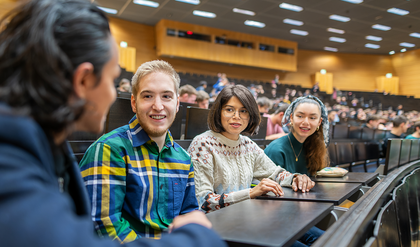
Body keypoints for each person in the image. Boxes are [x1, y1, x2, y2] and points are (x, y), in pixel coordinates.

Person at [0, 0, 225, 247]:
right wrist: (197, 238)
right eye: (113, 80)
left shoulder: (26, 137)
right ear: (83, 80)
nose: (114, 95)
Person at [79, 60, 202, 243]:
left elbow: (190, 217)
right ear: (134, 103)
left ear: (177, 104)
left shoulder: (183, 159)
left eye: (166, 96)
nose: (158, 106)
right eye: (147, 96)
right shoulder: (109, 150)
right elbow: (103, 225)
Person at [187, 85, 317, 247]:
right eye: (229, 110)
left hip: (249, 219)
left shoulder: (248, 144)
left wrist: (296, 178)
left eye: (243, 111)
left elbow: (275, 173)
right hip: (222, 230)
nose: (237, 117)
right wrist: (250, 193)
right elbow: (204, 202)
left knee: (320, 236)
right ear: (218, 112)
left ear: (250, 116)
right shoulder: (202, 144)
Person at [264, 96, 330, 177]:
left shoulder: (313, 147)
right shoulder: (276, 151)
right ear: (291, 118)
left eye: (312, 118)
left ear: (319, 122)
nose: (306, 122)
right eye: (300, 116)